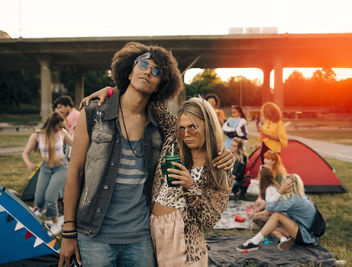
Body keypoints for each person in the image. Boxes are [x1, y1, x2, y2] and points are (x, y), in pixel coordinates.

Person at [58, 42, 233, 267]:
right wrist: (68, 231)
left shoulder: (161, 125)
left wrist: (224, 152)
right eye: (143, 64)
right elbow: (74, 173)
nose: (149, 71)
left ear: (161, 85)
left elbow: (199, 131)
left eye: (157, 71)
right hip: (95, 235)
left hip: (142, 237)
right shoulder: (94, 114)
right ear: (129, 71)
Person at [150, 97, 233, 266]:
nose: (186, 134)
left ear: (207, 126)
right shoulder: (175, 140)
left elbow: (211, 219)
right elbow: (151, 102)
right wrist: (110, 90)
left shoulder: (219, 167)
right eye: (182, 128)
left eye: (193, 127)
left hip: (184, 241)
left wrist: (190, 186)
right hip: (152, 231)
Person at [237, 173, 319, 252]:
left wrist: (280, 191)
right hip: (302, 230)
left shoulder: (294, 200)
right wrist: (256, 214)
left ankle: (253, 242)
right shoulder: (297, 196)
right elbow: (271, 208)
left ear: (291, 186)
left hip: (306, 235)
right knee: (269, 227)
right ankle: (284, 239)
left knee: (276, 216)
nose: (282, 185)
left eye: (284, 184)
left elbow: (270, 207)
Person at [22, 111, 73, 235]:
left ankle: (56, 224)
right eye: (59, 126)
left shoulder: (63, 133)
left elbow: (76, 146)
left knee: (50, 197)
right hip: (45, 167)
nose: (62, 128)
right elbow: (25, 153)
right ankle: (39, 213)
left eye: (63, 126)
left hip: (61, 167)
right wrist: (29, 163)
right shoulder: (37, 135)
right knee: (38, 198)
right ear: (52, 124)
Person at [53, 95, 80, 159]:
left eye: (60, 107)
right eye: (58, 108)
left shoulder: (73, 115)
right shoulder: (72, 114)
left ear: (67, 106)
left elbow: (76, 134)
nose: (60, 110)